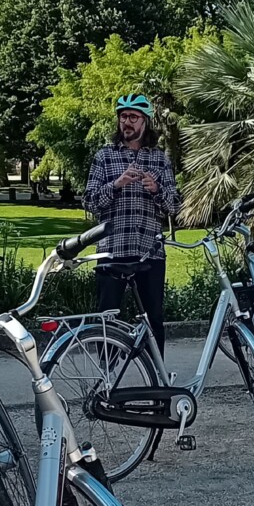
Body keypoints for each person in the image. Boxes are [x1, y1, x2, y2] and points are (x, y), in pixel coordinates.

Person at [83, 93, 182, 354]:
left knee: (153, 321)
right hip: (112, 251)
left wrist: (156, 189)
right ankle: (106, 381)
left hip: (149, 251)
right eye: (123, 116)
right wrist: (117, 184)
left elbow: (174, 206)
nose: (127, 122)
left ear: (145, 122)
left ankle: (158, 381)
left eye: (133, 117)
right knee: (108, 321)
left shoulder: (160, 159)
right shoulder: (104, 157)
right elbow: (90, 203)